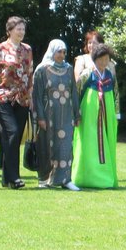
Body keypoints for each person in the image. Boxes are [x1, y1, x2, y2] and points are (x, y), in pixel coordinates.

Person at [0, 16, 33, 189]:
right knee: (12, 132)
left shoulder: (27, 49)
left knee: (11, 137)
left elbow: (30, 74)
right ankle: (14, 177)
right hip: (3, 97)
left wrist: (31, 96)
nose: (21, 32)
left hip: (21, 99)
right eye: (18, 29)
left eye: (23, 29)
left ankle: (7, 179)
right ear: (9, 31)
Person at [32, 39, 81, 191]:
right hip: (48, 114)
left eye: (64, 52)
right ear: (52, 51)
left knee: (66, 145)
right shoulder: (42, 69)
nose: (62, 55)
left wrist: (77, 114)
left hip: (66, 115)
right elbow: (37, 95)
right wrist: (40, 116)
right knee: (46, 145)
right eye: (59, 51)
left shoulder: (68, 69)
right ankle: (44, 179)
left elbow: (73, 92)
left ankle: (65, 179)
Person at [72, 43, 119, 189]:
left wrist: (116, 114)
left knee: (106, 143)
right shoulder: (87, 74)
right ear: (95, 59)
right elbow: (76, 93)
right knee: (89, 143)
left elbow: (116, 94)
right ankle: (86, 176)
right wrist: (76, 113)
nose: (104, 62)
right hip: (89, 115)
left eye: (107, 59)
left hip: (107, 114)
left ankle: (105, 177)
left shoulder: (110, 75)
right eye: (101, 59)